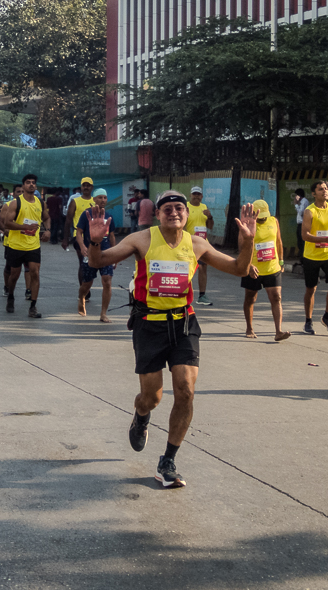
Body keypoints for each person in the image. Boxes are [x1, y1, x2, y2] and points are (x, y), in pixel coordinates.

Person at [85, 192, 258, 488]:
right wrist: (95, 240)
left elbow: (239, 269)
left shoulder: (197, 244)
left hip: (184, 324)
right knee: (151, 397)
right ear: (158, 214)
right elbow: (98, 261)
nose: (174, 213)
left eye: (179, 208)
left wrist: (249, 241)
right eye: (167, 208)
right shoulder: (141, 240)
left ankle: (168, 460)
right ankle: (141, 415)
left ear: (187, 215)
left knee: (186, 391)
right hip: (149, 325)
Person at [243, 199, 290, 341]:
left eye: (264, 217)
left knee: (276, 297)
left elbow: (278, 241)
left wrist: (281, 261)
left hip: (272, 267)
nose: (262, 220)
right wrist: (248, 265)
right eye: (260, 217)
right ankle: (249, 328)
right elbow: (242, 247)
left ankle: (278, 331)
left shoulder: (273, 221)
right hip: (253, 269)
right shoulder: (248, 224)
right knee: (251, 298)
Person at [0, 173, 44, 318]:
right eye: (28, 182)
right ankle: (11, 295)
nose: (31, 184)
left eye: (33, 182)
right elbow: (7, 222)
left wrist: (47, 230)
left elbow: (47, 218)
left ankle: (33, 306)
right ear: (23, 185)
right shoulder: (15, 203)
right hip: (16, 245)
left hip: (33, 245)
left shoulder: (40, 202)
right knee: (14, 275)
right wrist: (23, 228)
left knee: (35, 273)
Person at [301, 180, 328, 334]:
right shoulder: (309, 211)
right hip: (311, 256)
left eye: (326, 188)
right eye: (320, 189)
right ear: (314, 194)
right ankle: (308, 321)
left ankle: (327, 317)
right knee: (311, 289)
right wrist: (323, 240)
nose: (324, 191)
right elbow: (305, 235)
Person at [76, 188, 117, 321]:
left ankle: (103, 313)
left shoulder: (109, 215)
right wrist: (82, 246)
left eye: (105, 197)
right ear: (94, 199)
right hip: (91, 253)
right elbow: (79, 232)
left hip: (105, 254)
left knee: (107, 281)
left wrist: (115, 253)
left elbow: (111, 236)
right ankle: (81, 298)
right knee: (87, 284)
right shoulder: (86, 214)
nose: (103, 200)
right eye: (99, 197)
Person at [186, 186, 215, 305]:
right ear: (191, 195)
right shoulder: (186, 207)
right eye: (194, 194)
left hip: (203, 244)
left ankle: (202, 296)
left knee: (203, 268)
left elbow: (210, 226)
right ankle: (182, 293)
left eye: (199, 194)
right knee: (186, 270)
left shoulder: (204, 207)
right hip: (189, 243)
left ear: (202, 196)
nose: (196, 196)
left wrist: (210, 216)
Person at [63, 177, 97, 280]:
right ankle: (83, 291)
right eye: (84, 185)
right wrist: (65, 239)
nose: (86, 187)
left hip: (94, 237)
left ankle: (86, 286)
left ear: (92, 187)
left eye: (88, 185)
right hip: (79, 237)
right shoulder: (75, 201)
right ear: (81, 187)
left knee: (91, 263)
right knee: (83, 262)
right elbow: (68, 220)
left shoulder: (96, 201)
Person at [292, 188, 310, 267]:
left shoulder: (304, 201)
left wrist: (296, 204)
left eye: (296, 195)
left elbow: (301, 212)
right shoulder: (301, 202)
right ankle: (302, 260)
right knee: (300, 243)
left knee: (303, 243)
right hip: (299, 224)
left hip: (303, 224)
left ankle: (305, 260)